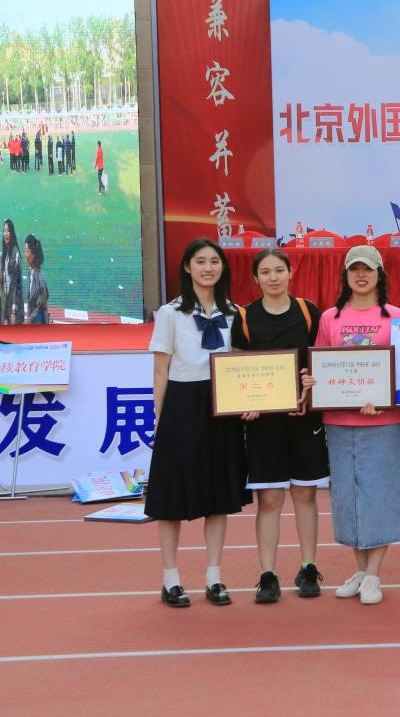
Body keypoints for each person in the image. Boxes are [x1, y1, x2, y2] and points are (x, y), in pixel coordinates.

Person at [146, 239, 250, 607]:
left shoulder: (235, 313)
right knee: (170, 497)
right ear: (187, 267)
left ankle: (214, 577)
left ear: (223, 268)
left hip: (221, 407)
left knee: (218, 496)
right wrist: (161, 421)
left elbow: (242, 364)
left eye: (214, 261)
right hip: (181, 405)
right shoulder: (170, 313)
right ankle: (171, 579)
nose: (208, 268)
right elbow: (160, 370)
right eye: (200, 261)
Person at [314, 245, 400, 605]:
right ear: (345, 275)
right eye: (354, 269)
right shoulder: (330, 317)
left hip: (382, 421)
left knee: (379, 493)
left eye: (368, 270)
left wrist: (383, 397)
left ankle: (373, 574)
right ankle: (359, 569)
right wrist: (314, 383)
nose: (361, 275)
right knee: (348, 496)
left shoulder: (396, 316)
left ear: (379, 275)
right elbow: (321, 364)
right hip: (340, 421)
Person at [231, 249, 327, 604]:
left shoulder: (308, 311)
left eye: (279, 270)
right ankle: (267, 574)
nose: (273, 278)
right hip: (263, 424)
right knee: (269, 498)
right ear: (255, 278)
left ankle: (308, 566)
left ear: (290, 273)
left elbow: (321, 361)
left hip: (304, 417)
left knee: (305, 493)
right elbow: (238, 371)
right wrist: (244, 402)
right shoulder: (244, 317)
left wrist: (310, 387)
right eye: (265, 272)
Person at [2, 219, 24, 325]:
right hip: (5, 302)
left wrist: (15, 305)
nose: (6, 233)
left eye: (8, 231)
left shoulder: (15, 254)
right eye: (4, 230)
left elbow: (17, 284)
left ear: (12, 233)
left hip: (13, 305)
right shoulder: (4, 253)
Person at [23, 235, 48, 325]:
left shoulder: (37, 276)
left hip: (38, 319)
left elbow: (41, 303)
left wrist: (30, 318)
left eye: (27, 251)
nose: (25, 255)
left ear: (33, 255)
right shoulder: (31, 270)